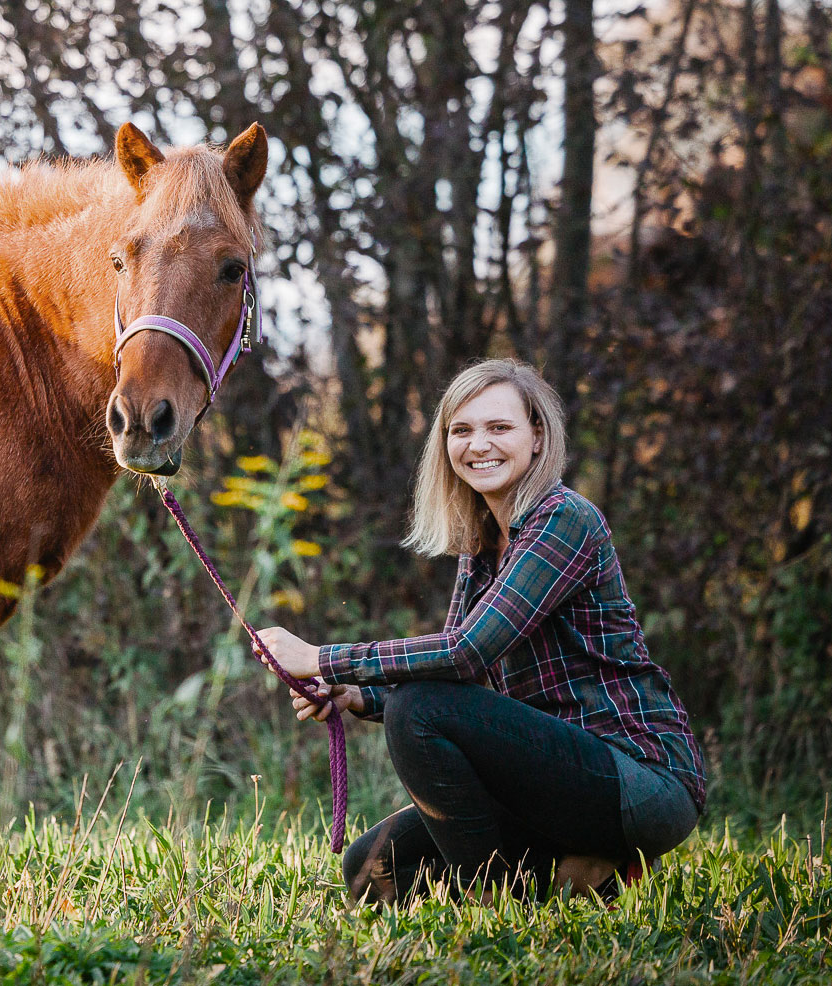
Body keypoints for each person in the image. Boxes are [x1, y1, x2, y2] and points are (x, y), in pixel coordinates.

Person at [255, 358, 706, 905]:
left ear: (537, 437)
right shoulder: (482, 545)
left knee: (417, 708)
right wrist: (355, 695)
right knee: (369, 870)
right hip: (550, 779)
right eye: (461, 430)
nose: (478, 444)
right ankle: (588, 874)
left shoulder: (565, 519)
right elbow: (462, 682)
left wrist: (325, 659)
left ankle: (488, 903)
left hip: (637, 780)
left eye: (499, 427)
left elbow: (465, 654)